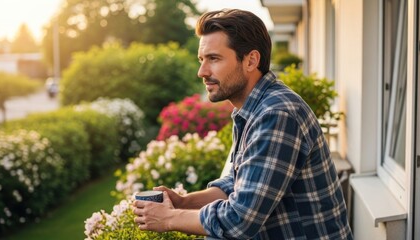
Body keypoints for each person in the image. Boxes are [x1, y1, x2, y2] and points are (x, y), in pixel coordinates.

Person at [133, 9, 353, 239]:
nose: (202, 71)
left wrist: (169, 218)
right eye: (201, 59)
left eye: (214, 59)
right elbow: (239, 183)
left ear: (251, 61)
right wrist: (184, 202)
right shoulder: (253, 109)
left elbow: (239, 219)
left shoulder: (277, 114)